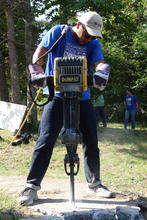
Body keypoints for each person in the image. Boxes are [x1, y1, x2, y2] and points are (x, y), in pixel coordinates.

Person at [19, 11, 114, 205]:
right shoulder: (58, 33)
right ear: (78, 25)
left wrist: (102, 71)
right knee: (45, 140)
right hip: (57, 95)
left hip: (83, 96)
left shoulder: (93, 43)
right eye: (87, 34)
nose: (89, 39)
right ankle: (31, 187)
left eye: (93, 36)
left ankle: (95, 184)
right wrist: (37, 71)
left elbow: (100, 62)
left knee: (91, 140)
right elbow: (39, 55)